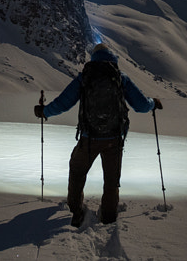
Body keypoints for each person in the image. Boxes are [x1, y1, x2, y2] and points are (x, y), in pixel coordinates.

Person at [34, 43, 162, 226]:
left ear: (93, 58)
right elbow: (141, 105)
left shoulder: (84, 77)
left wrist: (45, 112)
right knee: (111, 180)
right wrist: (153, 103)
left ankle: (75, 210)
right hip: (115, 139)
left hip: (89, 138)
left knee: (77, 170)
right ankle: (109, 217)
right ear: (112, 58)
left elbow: (63, 103)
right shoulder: (120, 77)